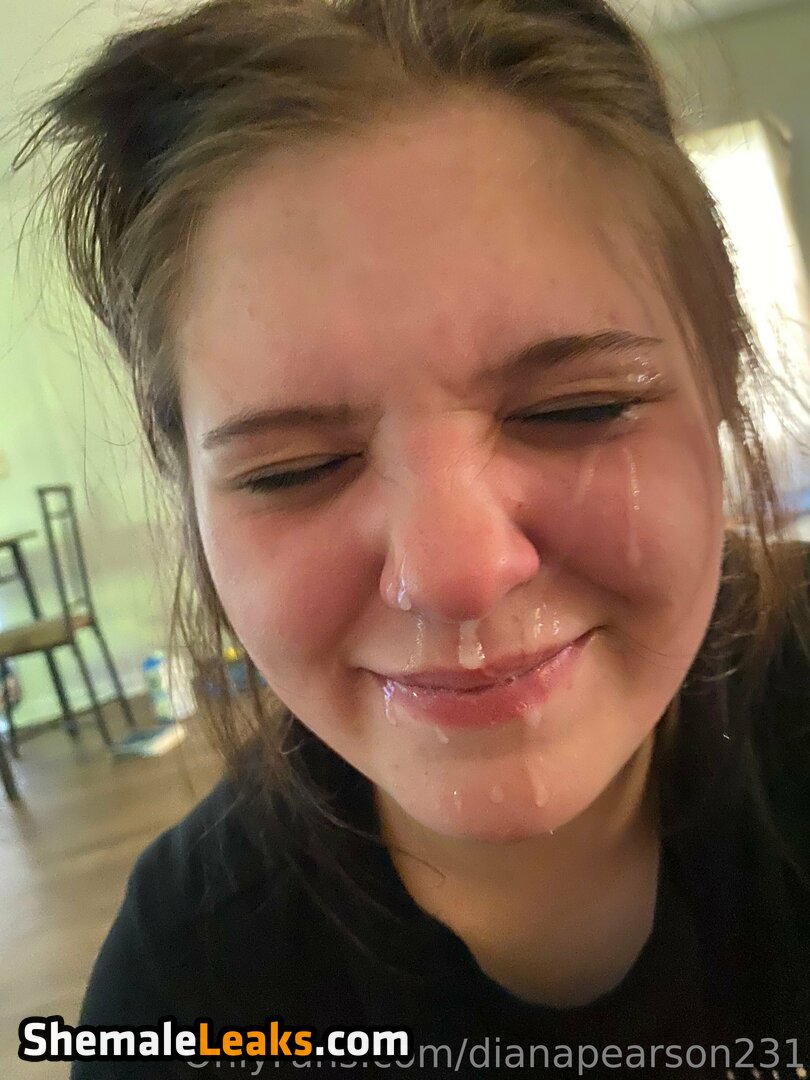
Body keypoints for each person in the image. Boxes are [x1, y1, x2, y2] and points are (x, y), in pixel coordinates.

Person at [17, 0, 810, 1076]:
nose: (456, 573)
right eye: (294, 469)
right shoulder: (188, 992)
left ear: (720, 382)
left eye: (577, 408)